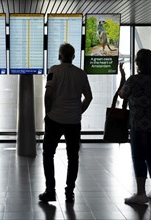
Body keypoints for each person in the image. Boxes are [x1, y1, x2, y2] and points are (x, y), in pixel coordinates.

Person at [39, 43, 93, 203]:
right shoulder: (81, 74)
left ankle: (50, 190)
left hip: (54, 119)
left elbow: (48, 94)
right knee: (73, 157)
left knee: (48, 154)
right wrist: (78, 111)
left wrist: (47, 112)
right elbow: (89, 97)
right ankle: (69, 192)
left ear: (59, 55)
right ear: (74, 56)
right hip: (74, 122)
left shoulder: (53, 70)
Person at [119, 49, 151, 204]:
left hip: (139, 124)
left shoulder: (133, 80)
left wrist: (123, 78)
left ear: (137, 63)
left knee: (138, 157)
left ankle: (140, 193)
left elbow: (122, 94)